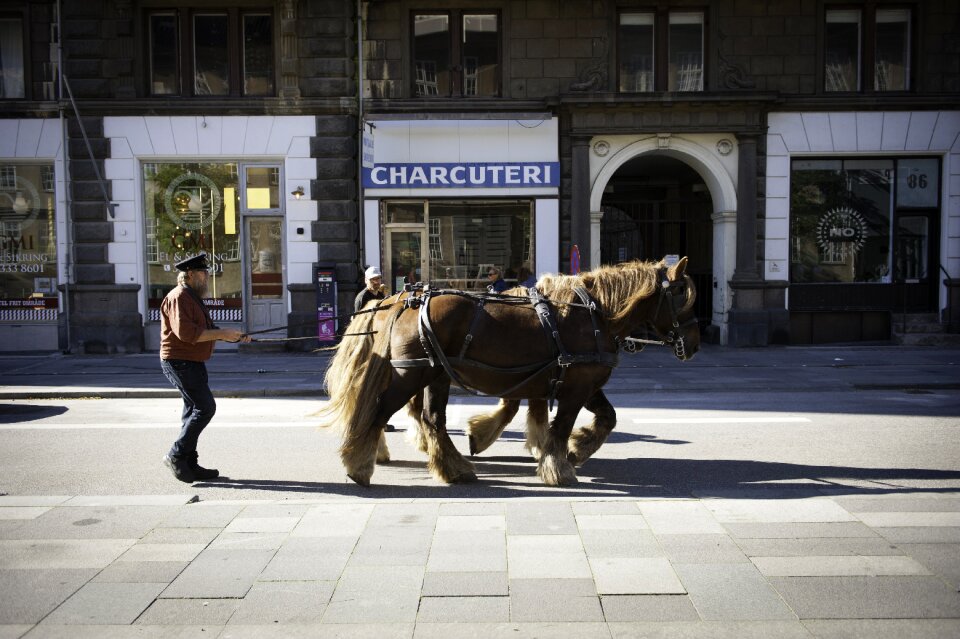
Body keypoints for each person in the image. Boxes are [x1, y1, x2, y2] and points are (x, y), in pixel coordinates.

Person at [160, 252, 250, 483]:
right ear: (190, 274)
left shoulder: (192, 296)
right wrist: (222, 334)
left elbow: (206, 329)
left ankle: (190, 462)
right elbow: (187, 333)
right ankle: (176, 455)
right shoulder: (179, 296)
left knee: (192, 411)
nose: (207, 277)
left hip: (192, 361)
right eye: (203, 272)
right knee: (204, 408)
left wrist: (233, 337)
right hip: (179, 361)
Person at [352, 265, 396, 432]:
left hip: (380, 341)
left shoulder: (380, 294)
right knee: (372, 384)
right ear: (366, 281)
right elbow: (359, 324)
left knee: (383, 384)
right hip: (369, 345)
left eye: (378, 279)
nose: (376, 282)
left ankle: (380, 420)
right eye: (373, 280)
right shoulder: (362, 298)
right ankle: (373, 420)